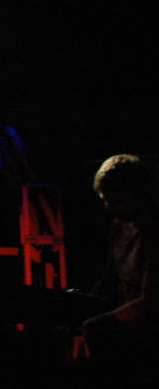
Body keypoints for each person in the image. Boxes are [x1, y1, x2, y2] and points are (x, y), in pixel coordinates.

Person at [71, 153, 159, 387]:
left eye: (116, 201)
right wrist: (78, 304)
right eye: (105, 201)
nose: (109, 208)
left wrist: (100, 322)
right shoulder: (119, 226)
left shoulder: (154, 233)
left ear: (139, 194)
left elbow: (150, 301)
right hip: (127, 327)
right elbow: (109, 278)